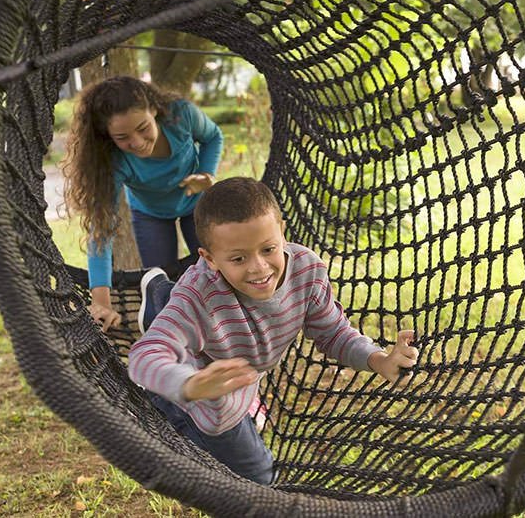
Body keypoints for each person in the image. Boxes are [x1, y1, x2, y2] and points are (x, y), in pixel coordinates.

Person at [127, 177, 419, 485]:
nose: (259, 268)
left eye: (268, 249)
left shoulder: (307, 269)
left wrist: (379, 359)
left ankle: (160, 299)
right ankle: (162, 307)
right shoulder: (198, 296)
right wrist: (190, 386)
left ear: (281, 229)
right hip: (198, 390)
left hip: (233, 375)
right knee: (246, 476)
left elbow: (333, 333)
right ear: (210, 259)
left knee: (257, 472)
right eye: (238, 258)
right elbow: (143, 359)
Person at [61, 75, 223, 332]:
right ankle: (180, 336)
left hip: (197, 204)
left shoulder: (181, 117)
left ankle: (221, 326)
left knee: (218, 270)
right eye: (122, 136)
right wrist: (101, 301)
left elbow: (213, 137)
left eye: (143, 128)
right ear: (109, 136)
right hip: (151, 215)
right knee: (162, 285)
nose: (135, 142)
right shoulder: (114, 161)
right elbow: (101, 230)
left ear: (155, 111)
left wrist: (206, 174)